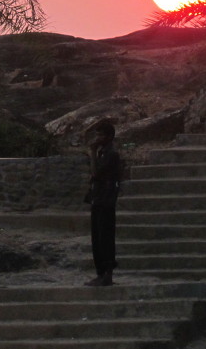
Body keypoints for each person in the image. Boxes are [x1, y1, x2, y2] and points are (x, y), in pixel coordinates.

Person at [84, 119, 121, 286]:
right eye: (97, 134)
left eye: (100, 135)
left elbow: (96, 173)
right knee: (97, 238)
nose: (97, 138)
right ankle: (101, 273)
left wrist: (91, 152)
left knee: (105, 238)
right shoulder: (103, 152)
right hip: (99, 199)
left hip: (106, 201)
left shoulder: (111, 154)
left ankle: (106, 274)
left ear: (109, 137)